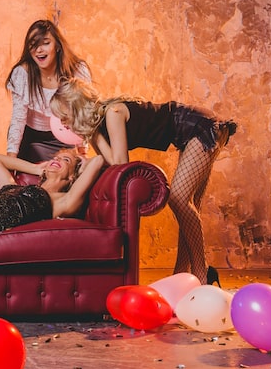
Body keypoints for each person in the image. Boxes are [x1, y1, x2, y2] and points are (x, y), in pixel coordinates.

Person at [49, 77, 237, 285]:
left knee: (178, 199)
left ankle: (202, 273)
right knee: (188, 207)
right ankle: (182, 273)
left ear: (76, 108)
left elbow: (120, 163)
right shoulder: (97, 131)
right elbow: (111, 166)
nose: (62, 123)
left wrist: (96, 138)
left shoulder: (113, 113)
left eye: (64, 116)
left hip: (199, 125)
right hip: (188, 134)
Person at [5, 19, 91, 162]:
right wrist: (11, 160)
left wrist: (82, 151)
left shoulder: (77, 70)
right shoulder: (22, 74)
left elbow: (81, 114)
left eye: (45, 43)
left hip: (64, 135)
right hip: (31, 137)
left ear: (57, 46)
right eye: (33, 44)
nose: (39, 50)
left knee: (67, 171)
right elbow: (18, 119)